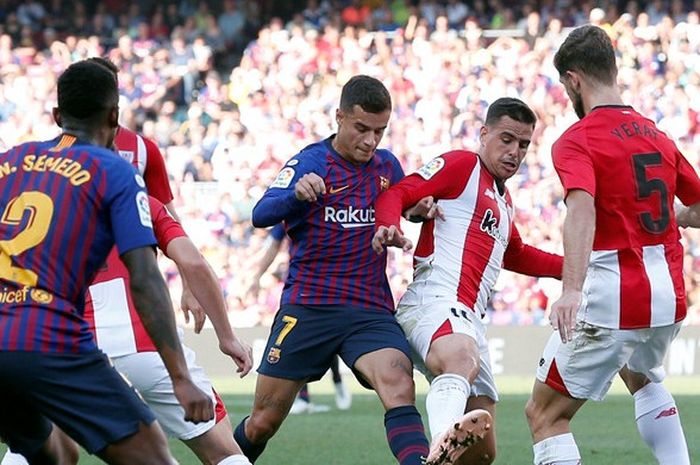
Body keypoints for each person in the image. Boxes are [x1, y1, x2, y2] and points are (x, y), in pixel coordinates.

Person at [0, 60, 213, 464]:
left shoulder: (10, 162)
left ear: (57, 116)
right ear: (114, 115)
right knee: (153, 456)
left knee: (57, 455)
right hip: (46, 336)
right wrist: (180, 377)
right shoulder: (114, 170)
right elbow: (145, 277)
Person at [233, 75, 435, 465]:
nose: (370, 140)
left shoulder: (386, 165)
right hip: (309, 308)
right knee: (263, 423)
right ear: (339, 117)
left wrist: (418, 209)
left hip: (368, 309)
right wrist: (295, 194)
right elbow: (261, 214)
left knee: (398, 383)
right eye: (361, 128)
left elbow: (407, 204)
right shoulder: (310, 162)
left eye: (379, 131)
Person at [524, 25, 695, 465]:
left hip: (613, 297)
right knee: (642, 375)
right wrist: (669, 217)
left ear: (574, 80)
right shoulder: (657, 135)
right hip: (667, 299)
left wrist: (572, 289)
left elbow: (581, 209)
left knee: (545, 415)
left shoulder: (577, 140)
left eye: (566, 86)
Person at [372, 97, 564, 465]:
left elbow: (517, 254)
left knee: (481, 453)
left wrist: (574, 268)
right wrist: (390, 225)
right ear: (484, 133)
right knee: (460, 358)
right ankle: (441, 448)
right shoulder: (463, 165)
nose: (515, 152)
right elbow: (399, 192)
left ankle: (449, 450)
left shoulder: (504, 201)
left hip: (470, 321)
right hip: (435, 300)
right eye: (506, 139)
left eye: (523, 145)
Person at [1, 195, 254, 465]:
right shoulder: (140, 201)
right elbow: (194, 263)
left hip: (76, 354)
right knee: (224, 453)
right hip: (150, 349)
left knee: (33, 445)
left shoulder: (41, 209)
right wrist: (226, 337)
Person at [247, 223, 352, 414]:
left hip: (334, 288)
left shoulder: (336, 208)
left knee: (330, 345)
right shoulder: (292, 206)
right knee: (297, 344)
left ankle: (336, 380)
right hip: (301, 292)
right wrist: (256, 276)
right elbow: (274, 243)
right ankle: (303, 398)